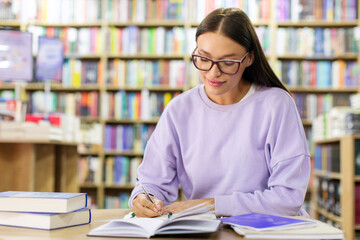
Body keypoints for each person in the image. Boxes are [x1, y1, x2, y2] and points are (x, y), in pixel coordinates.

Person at [129, 8, 310, 218]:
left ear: (249, 58)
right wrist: (143, 197)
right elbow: (152, 181)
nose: (213, 73)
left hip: (267, 230)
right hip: (204, 229)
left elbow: (288, 199)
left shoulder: (276, 104)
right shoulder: (179, 109)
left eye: (228, 63)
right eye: (203, 59)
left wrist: (210, 205)